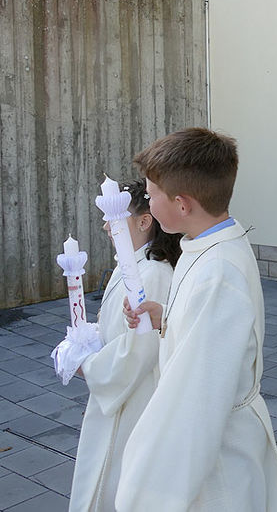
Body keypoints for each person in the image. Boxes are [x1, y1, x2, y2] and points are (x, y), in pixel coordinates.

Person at [116, 128, 277, 511]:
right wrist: (167, 318)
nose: (147, 202)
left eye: (151, 194)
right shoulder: (206, 243)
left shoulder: (219, 273)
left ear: (181, 204)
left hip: (215, 457)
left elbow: (194, 397)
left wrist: (147, 491)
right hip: (217, 437)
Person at [69, 178, 180, 512]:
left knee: (119, 481)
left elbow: (140, 351)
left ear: (144, 221)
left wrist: (88, 365)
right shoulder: (133, 265)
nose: (105, 225)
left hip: (135, 398)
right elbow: (118, 330)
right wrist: (87, 336)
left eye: (113, 217)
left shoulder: (153, 274)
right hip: (122, 391)